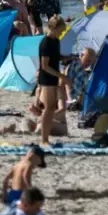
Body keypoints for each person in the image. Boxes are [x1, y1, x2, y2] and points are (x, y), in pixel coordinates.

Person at [37, 16, 67, 147]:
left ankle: (46, 138)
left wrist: (69, 57)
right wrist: (62, 76)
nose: (61, 33)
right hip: (46, 78)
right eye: (60, 30)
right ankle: (44, 139)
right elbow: (44, 66)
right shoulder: (46, 42)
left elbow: (55, 58)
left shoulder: (56, 41)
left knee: (50, 109)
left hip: (53, 78)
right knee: (48, 109)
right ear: (53, 28)